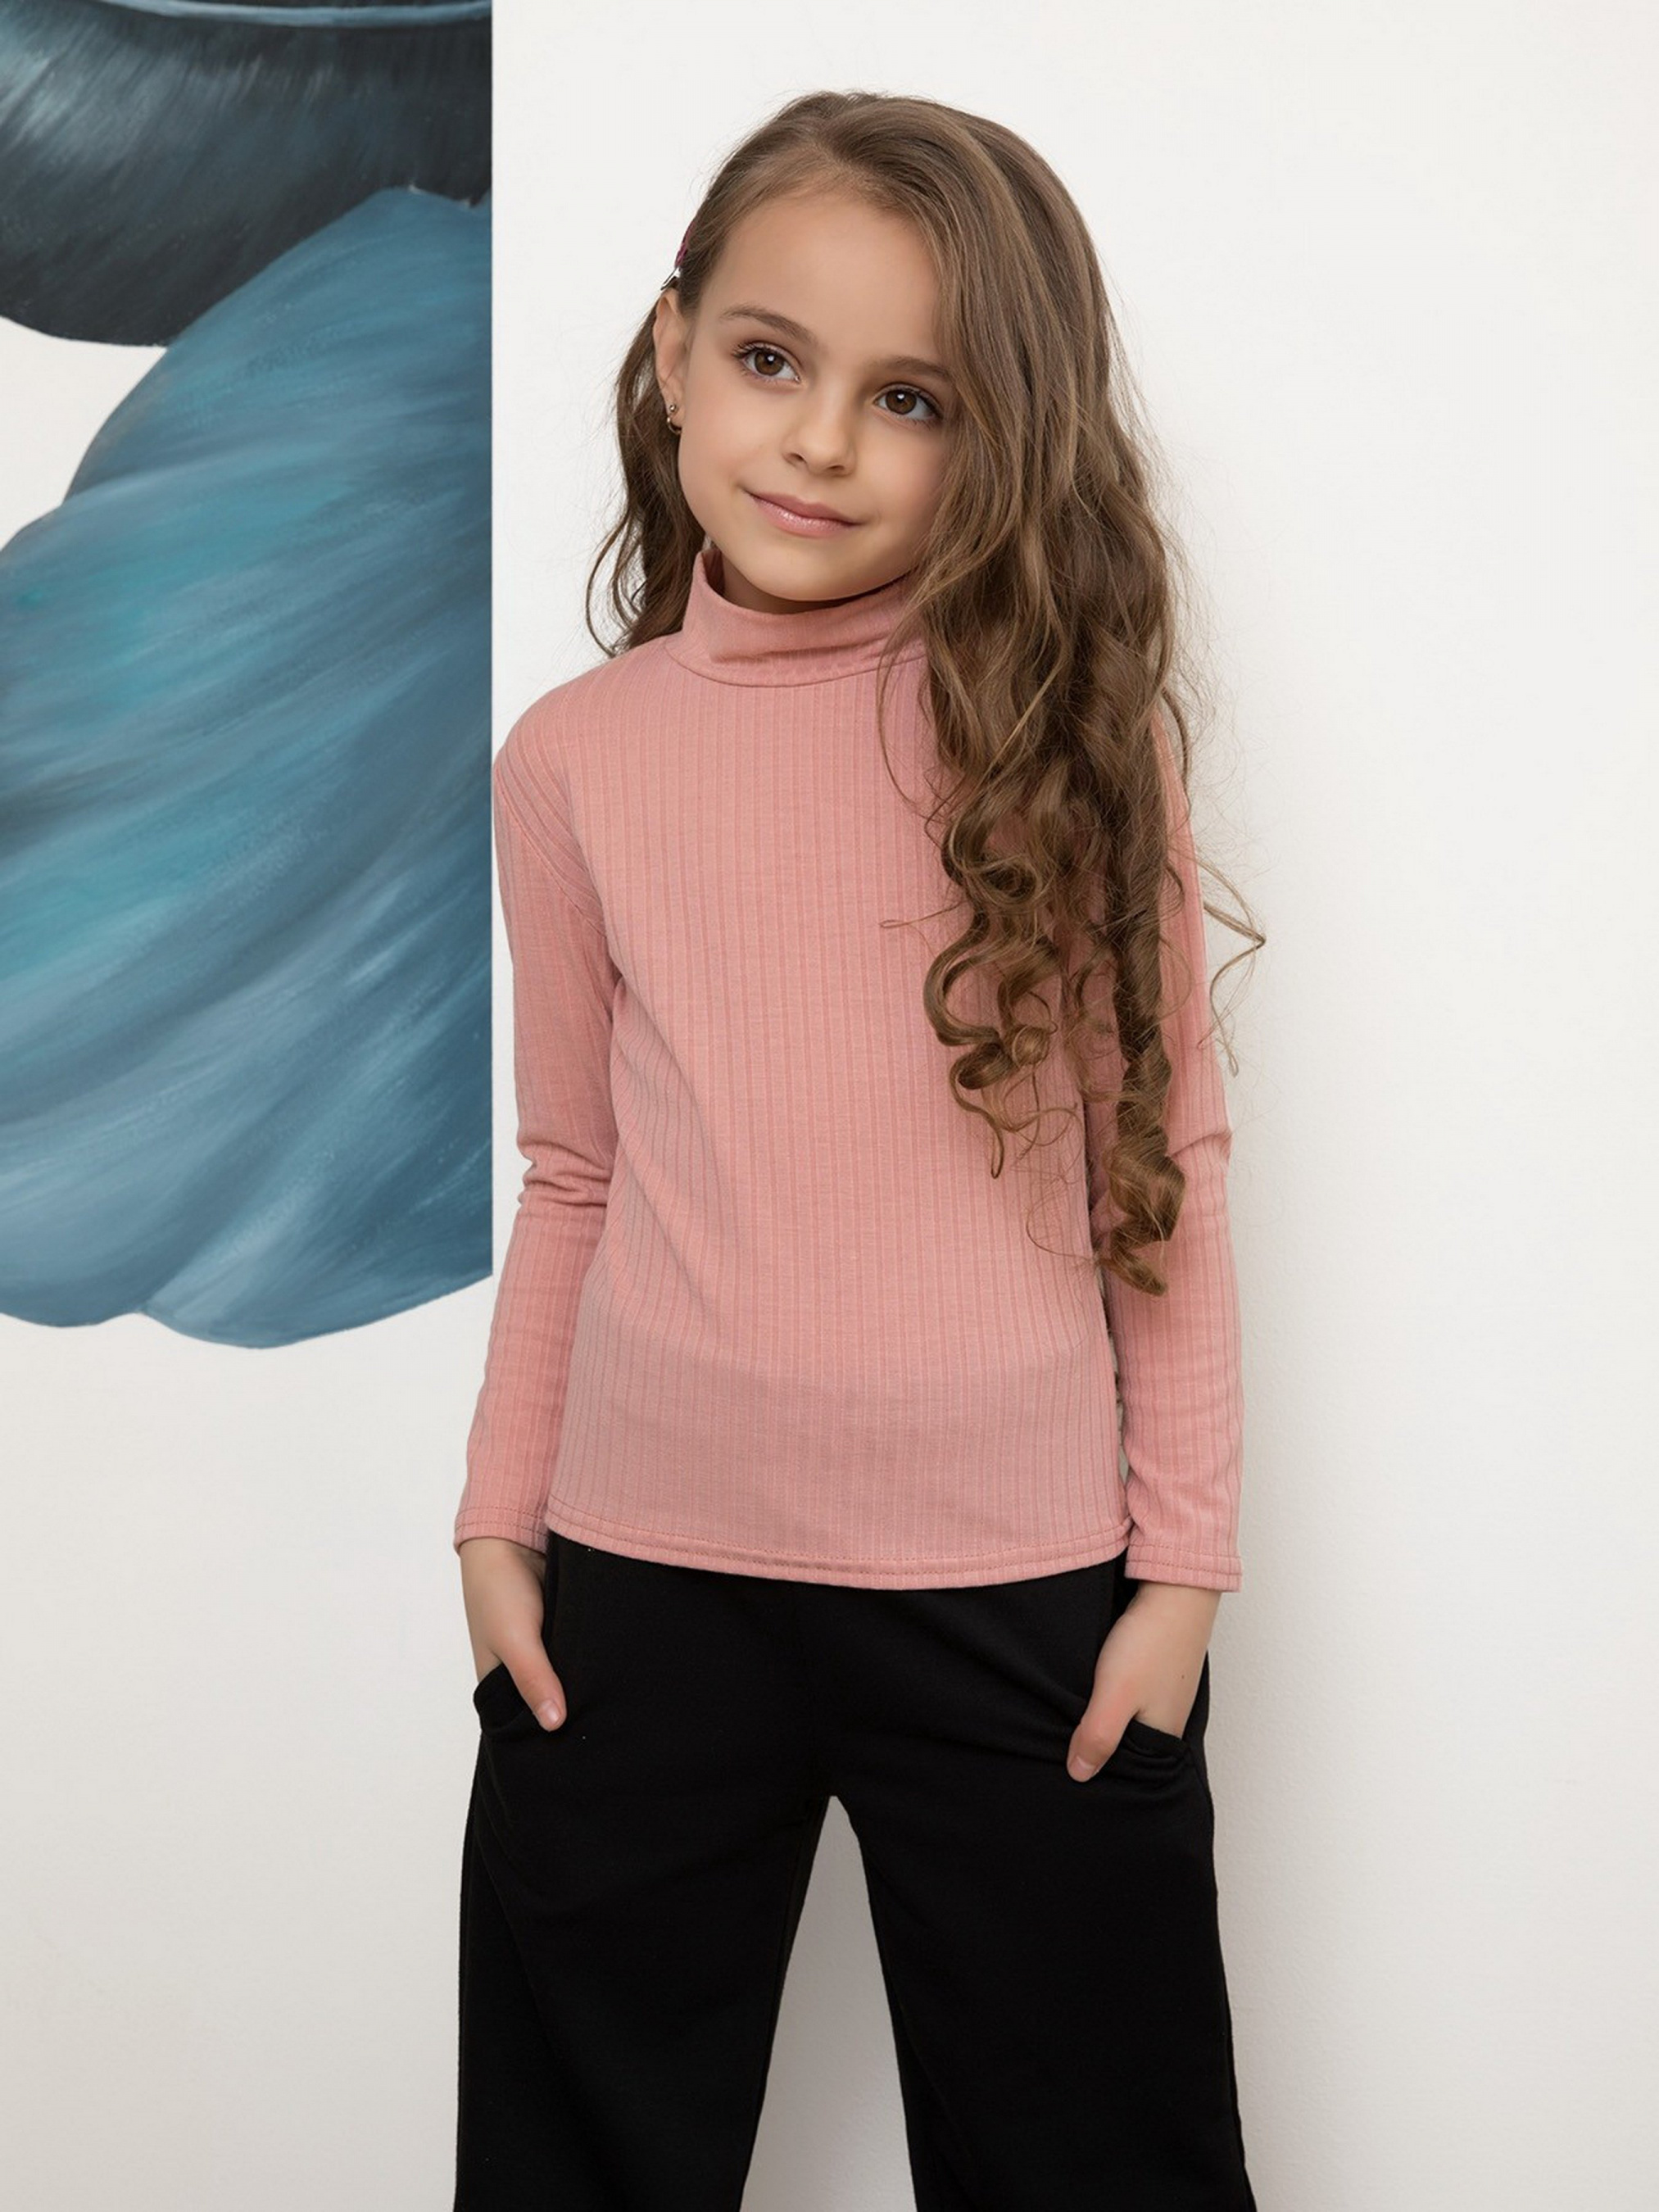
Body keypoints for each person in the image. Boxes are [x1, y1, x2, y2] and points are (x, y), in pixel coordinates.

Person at [453, 88, 1262, 2212]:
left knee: (1102, 2168)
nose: (816, 441)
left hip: (1016, 1599)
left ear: (999, 439)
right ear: (672, 350)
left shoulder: (1068, 744)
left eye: (909, 397)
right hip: (638, 1589)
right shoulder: (574, 760)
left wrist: (1179, 1575)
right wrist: (497, 1519)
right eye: (768, 358)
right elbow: (572, 1170)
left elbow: (1162, 1157)